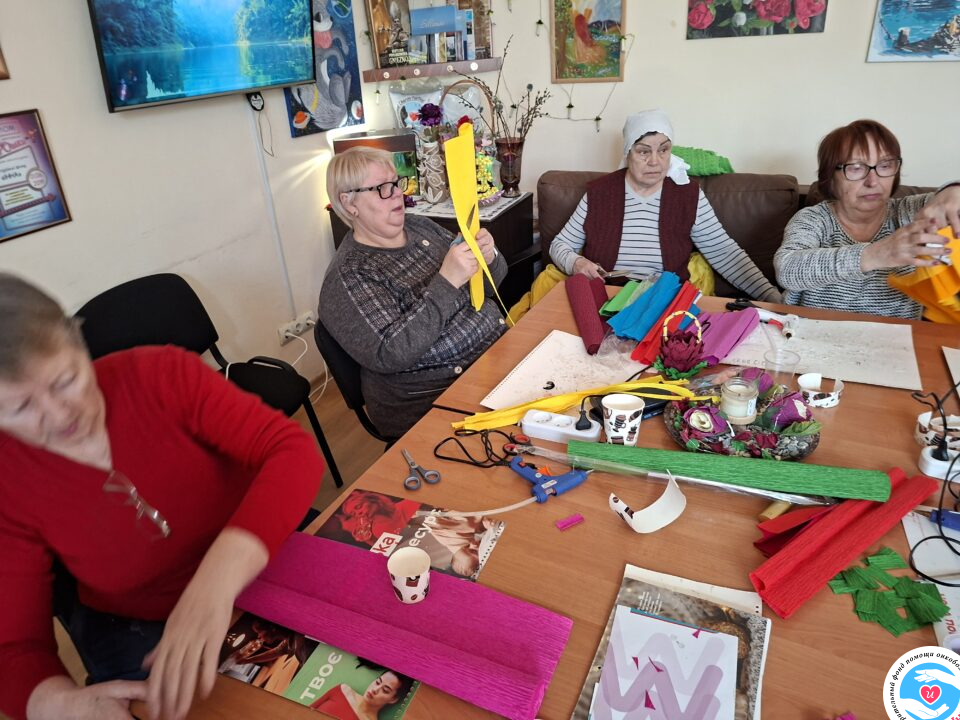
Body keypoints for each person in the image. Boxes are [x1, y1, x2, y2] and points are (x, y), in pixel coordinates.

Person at [0, 274, 325, 720]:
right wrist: (56, 703)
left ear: (78, 347)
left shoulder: (157, 374)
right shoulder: (8, 482)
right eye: (20, 407)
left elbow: (292, 451)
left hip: (258, 557)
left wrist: (215, 581)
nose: (59, 417)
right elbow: (13, 647)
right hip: (138, 623)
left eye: (65, 380)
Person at [320, 146, 508, 438]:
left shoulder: (420, 226)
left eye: (396, 183)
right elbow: (391, 354)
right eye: (382, 188)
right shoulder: (349, 275)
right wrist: (447, 281)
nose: (397, 193)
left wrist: (489, 256)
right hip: (433, 398)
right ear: (349, 202)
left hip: (494, 355)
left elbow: (491, 284)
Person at [548, 109, 781, 303]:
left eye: (663, 150)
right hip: (605, 296)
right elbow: (560, 245)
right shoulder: (599, 193)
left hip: (663, 301)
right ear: (628, 152)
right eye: (643, 151)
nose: (655, 161)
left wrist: (772, 298)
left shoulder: (687, 195)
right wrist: (576, 262)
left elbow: (725, 253)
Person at [774, 119, 959, 318]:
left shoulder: (912, 212)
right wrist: (875, 254)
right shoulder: (814, 219)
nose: (873, 181)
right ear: (830, 177)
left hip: (897, 334)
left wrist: (953, 190)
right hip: (812, 331)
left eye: (885, 165)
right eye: (855, 168)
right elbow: (786, 271)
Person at [310, 660, 413, 720]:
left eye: (385, 690)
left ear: (393, 699)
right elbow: (307, 709)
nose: (375, 689)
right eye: (378, 682)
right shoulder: (343, 689)